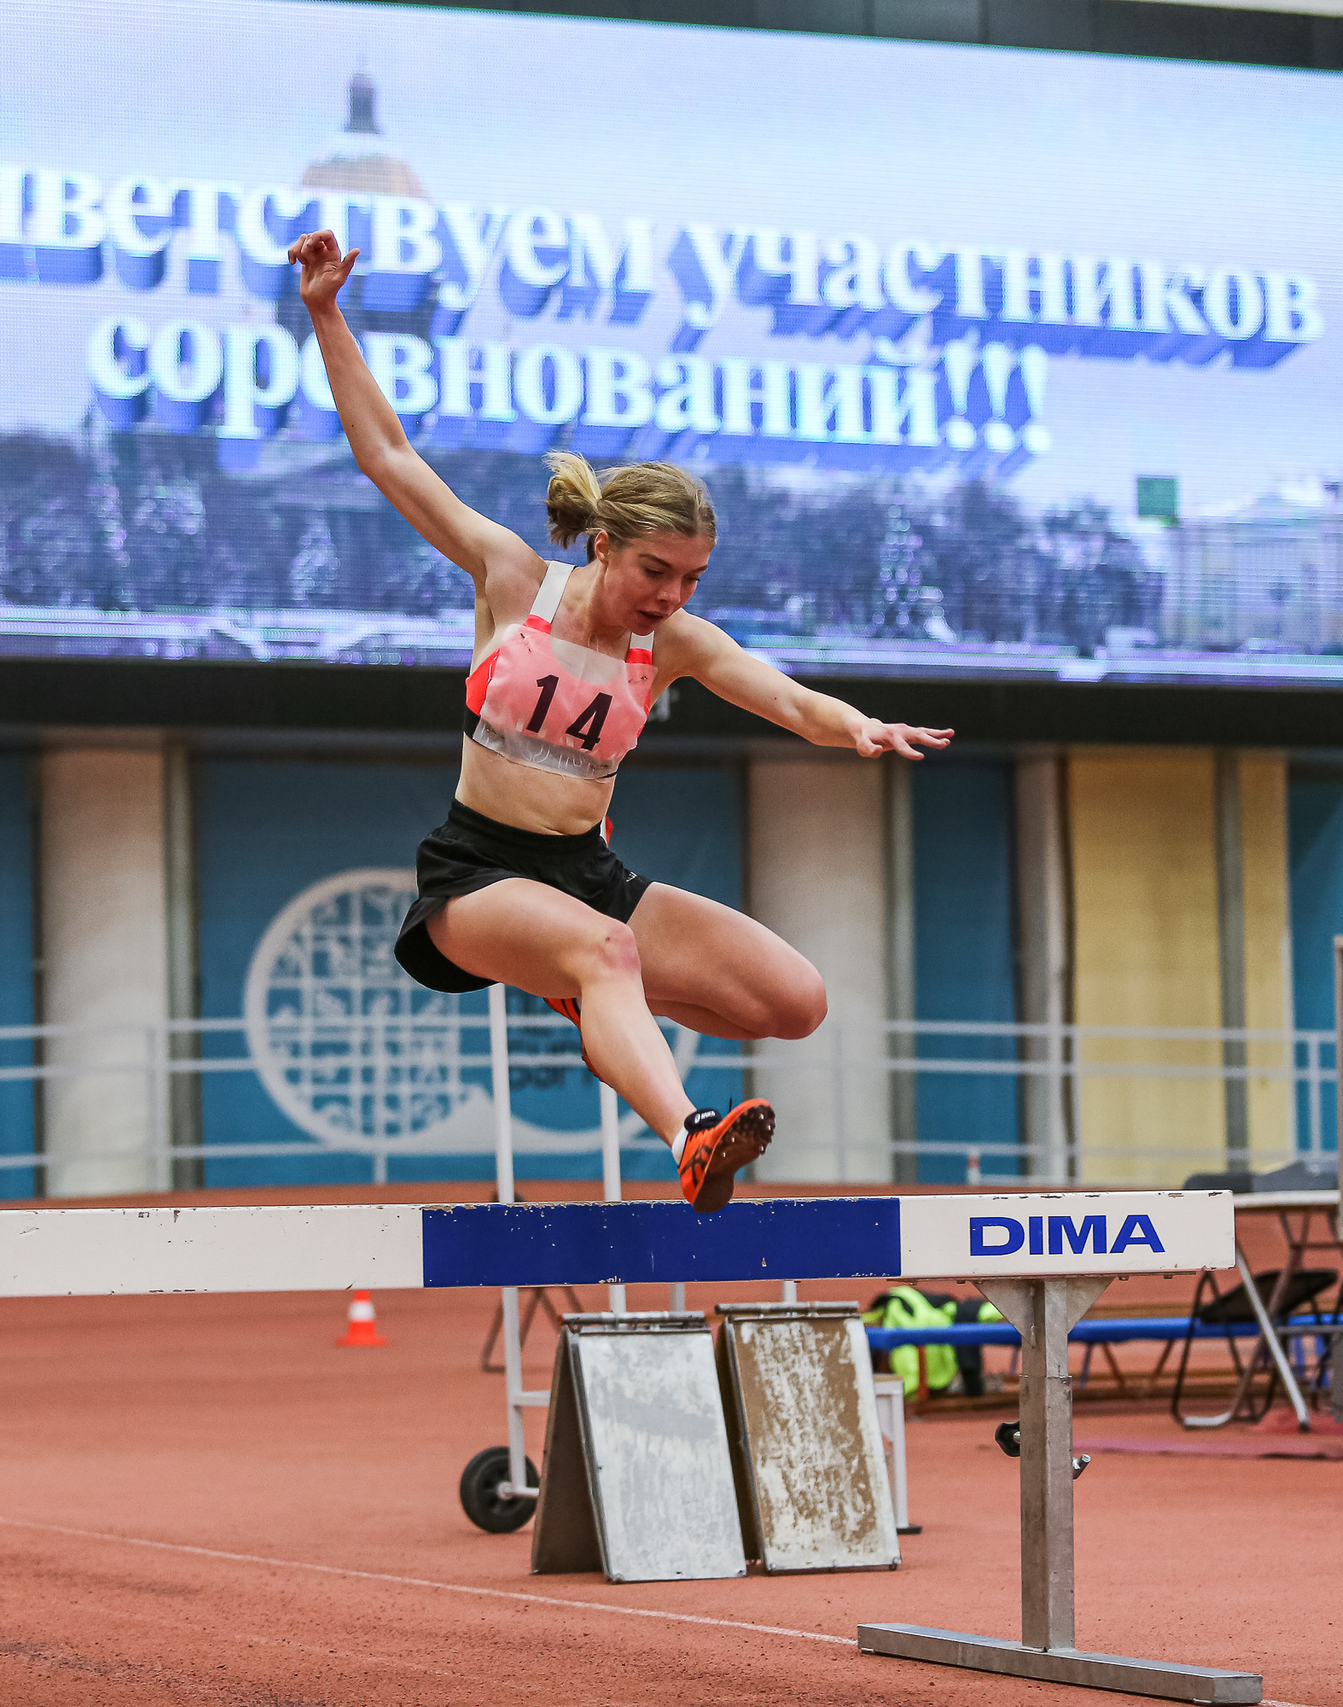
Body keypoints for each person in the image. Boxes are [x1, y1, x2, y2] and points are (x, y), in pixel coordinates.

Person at [289, 228, 952, 1213]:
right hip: (478, 871)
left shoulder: (672, 642)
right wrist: (326, 312)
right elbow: (387, 457)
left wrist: (852, 725)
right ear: (602, 546)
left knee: (793, 1004)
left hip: (589, 874)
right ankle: (690, 1137)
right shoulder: (512, 579)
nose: (669, 597)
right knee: (607, 956)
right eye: (655, 573)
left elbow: (781, 695)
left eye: (690, 580)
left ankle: (594, 999)